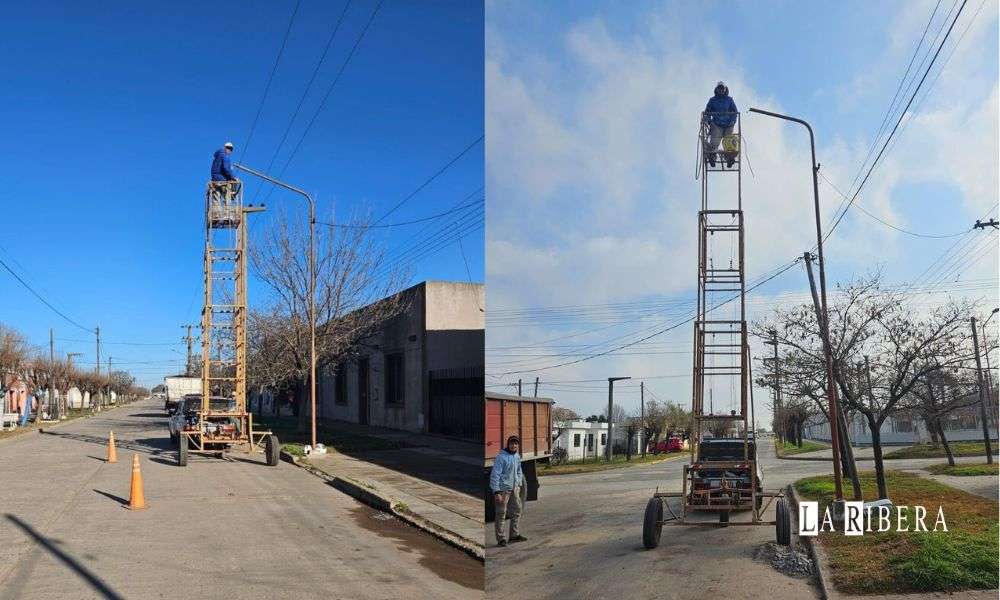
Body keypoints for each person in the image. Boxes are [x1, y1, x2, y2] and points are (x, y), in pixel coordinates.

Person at [490, 435, 527, 547]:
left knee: (517, 511)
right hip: (503, 490)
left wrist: (519, 483)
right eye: (512, 443)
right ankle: (501, 539)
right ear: (508, 444)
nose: (513, 445)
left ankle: (514, 535)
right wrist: (496, 491)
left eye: (516, 443)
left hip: (514, 489)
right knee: (501, 514)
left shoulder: (517, 456)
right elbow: (495, 475)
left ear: (518, 445)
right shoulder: (501, 458)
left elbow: (519, 471)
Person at [703, 82, 739, 168]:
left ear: (725, 89)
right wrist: (708, 120)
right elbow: (707, 112)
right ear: (717, 89)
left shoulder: (729, 100)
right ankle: (712, 156)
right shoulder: (712, 100)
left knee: (729, 142)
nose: (721, 90)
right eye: (719, 88)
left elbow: (734, 111)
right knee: (714, 142)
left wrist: (732, 120)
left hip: (728, 124)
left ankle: (729, 158)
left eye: (722, 88)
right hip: (717, 124)